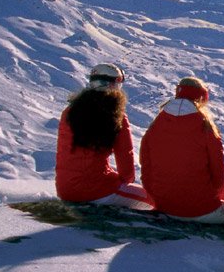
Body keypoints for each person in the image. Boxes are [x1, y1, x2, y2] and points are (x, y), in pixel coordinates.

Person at [54, 63, 151, 207]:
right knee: (154, 200)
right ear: (114, 85)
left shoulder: (70, 111)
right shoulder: (115, 115)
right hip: (97, 190)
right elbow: (125, 154)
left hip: (65, 189)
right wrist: (126, 181)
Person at [139, 76, 224, 223]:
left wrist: (154, 194)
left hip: (163, 205)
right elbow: (218, 169)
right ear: (201, 99)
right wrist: (219, 195)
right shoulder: (205, 127)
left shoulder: (158, 123)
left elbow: (146, 162)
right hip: (201, 209)